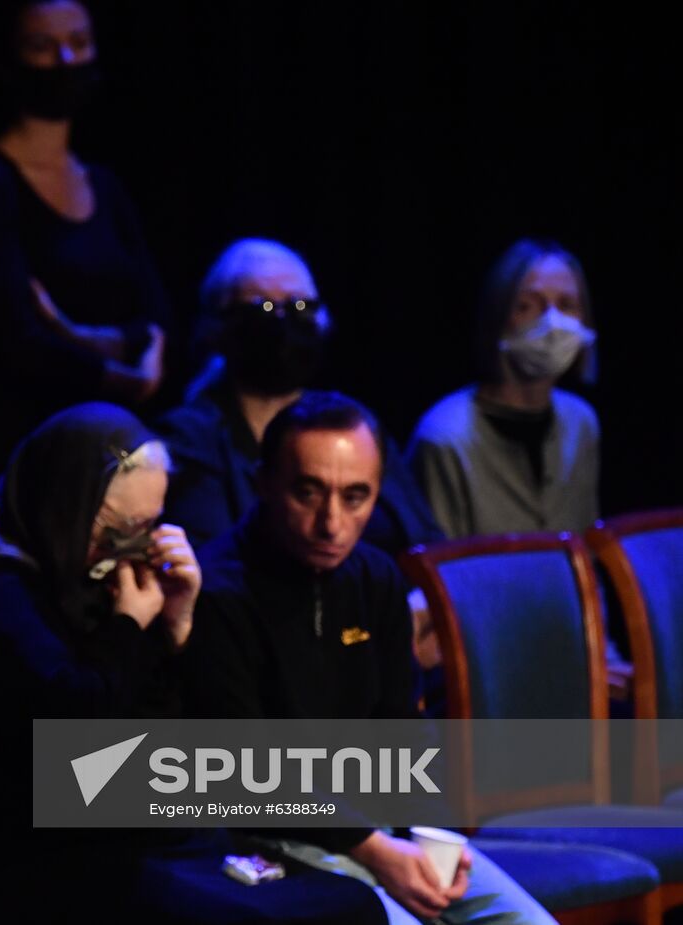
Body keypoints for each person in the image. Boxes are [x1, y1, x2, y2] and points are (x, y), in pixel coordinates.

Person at [0, 402, 386, 924]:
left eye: (149, 527)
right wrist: (130, 627)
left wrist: (178, 627)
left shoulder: (82, 574)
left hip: (109, 828)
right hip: (1, 854)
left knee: (342, 903)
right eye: (119, 531)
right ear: (67, 508)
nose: (133, 549)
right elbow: (73, 732)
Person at [181, 391, 555, 925]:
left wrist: (436, 838)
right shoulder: (218, 593)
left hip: (381, 833)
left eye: (356, 497)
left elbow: (403, 726)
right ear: (263, 482)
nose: (331, 523)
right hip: (279, 839)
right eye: (308, 493)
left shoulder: (375, 578)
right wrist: (374, 849)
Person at [0, 0, 172, 500]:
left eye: (79, 43)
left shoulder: (105, 185)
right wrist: (122, 370)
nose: (67, 61)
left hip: (115, 444)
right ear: (8, 60)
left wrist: (76, 333)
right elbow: (18, 338)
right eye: (43, 47)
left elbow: (154, 315)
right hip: (28, 445)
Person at [156, 238, 443, 555]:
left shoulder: (352, 426)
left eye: (300, 307)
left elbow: (427, 542)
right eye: (262, 307)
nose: (283, 322)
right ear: (218, 325)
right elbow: (212, 561)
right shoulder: (189, 437)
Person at [407, 239, 599, 538]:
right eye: (527, 306)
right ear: (498, 315)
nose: (552, 322)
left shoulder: (581, 423)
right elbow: (439, 569)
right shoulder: (445, 437)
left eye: (567, 305)